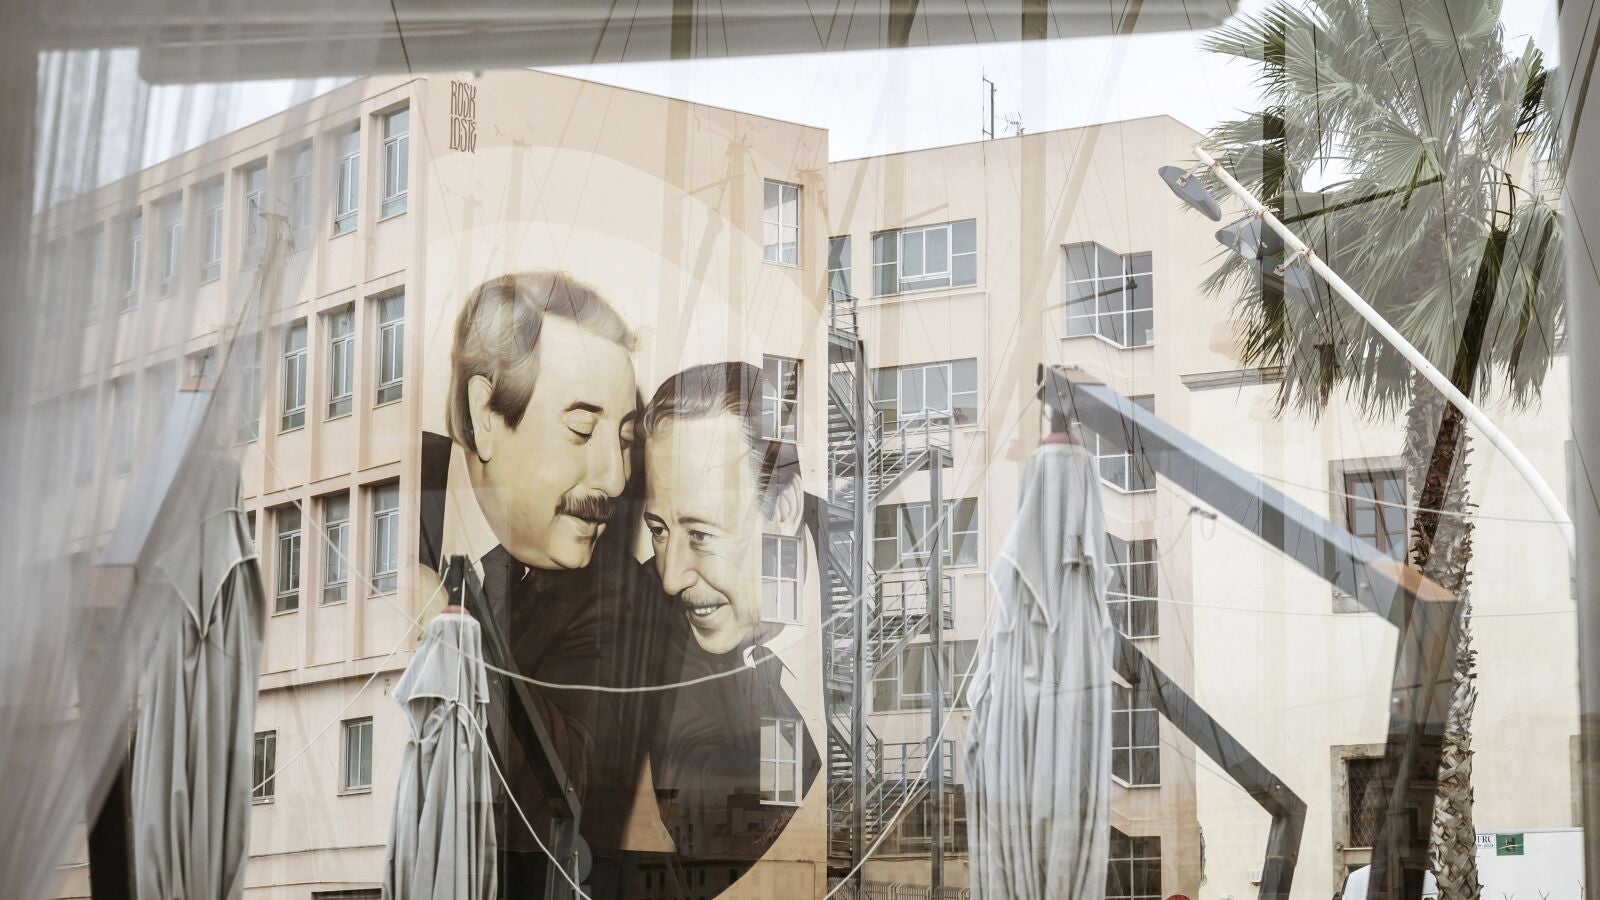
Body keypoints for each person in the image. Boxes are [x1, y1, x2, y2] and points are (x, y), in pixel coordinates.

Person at [442, 269, 652, 890]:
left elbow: (555, 793)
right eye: (582, 431)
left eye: (624, 440)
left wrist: (441, 628)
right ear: (485, 415)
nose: (615, 477)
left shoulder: (617, 599)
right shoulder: (406, 537)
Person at [636, 361, 822, 878]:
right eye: (659, 530)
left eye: (700, 534)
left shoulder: (867, 560)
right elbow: (705, 823)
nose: (671, 577)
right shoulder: (651, 612)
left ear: (782, 510)